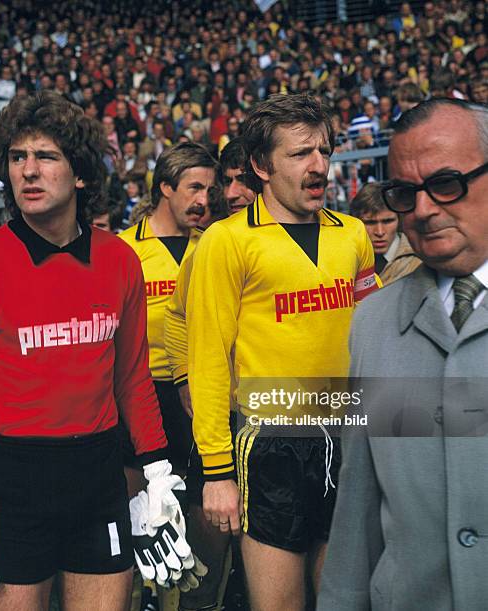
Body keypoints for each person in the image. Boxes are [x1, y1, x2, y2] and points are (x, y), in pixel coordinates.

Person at [0, 91, 194, 610]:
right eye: (18, 158)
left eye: (45, 156)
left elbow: (132, 380)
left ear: (81, 174)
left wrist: (157, 473)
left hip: (99, 472)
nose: (28, 171)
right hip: (15, 479)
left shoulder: (118, 261)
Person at [187, 93, 379, 611]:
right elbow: (206, 358)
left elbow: (374, 338)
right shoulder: (226, 242)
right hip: (270, 441)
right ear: (260, 166)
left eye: (324, 150)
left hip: (346, 433)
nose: (318, 166)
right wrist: (216, 471)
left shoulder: (354, 235)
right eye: (300, 154)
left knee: (348, 600)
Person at [317, 98, 488, 610]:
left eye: (446, 183)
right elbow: (359, 503)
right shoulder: (372, 322)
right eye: (405, 193)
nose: (424, 210)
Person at [118, 141, 216, 611]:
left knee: (195, 502)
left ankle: (185, 599)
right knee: (137, 505)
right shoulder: (124, 248)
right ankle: (134, 595)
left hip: (199, 391)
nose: (204, 199)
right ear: (165, 188)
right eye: (194, 188)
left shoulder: (215, 244)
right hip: (140, 393)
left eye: (209, 190)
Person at [163, 137, 256, 611]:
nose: (235, 190)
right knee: (209, 547)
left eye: (244, 178)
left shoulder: (333, 236)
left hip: (291, 416)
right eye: (229, 180)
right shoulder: (212, 245)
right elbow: (176, 317)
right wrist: (184, 379)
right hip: (224, 418)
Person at [350, 183, 421, 284]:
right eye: (370, 222)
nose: (380, 232)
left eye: (388, 221)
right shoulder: (346, 257)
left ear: (399, 220)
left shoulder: (420, 258)